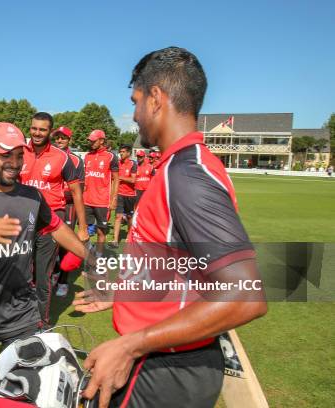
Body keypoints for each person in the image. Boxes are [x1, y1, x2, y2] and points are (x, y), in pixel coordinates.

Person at [74, 46, 267, 407]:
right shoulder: (177, 167)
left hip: (163, 369)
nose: (133, 114)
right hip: (166, 362)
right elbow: (187, 268)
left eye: (136, 100)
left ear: (156, 99)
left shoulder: (187, 175)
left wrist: (130, 344)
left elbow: (244, 295)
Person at [0, 122, 87, 408]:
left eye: (19, 155)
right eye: (5, 155)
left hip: (23, 314)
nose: (14, 163)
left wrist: (90, 256)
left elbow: (56, 227)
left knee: (30, 388)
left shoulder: (32, 197)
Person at [19, 112, 88, 325]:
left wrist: (83, 227)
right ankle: (19, 318)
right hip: (22, 219)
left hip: (51, 221)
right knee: (20, 273)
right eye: (34, 128)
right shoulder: (19, 152)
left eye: (42, 129)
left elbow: (76, 192)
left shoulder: (62, 157)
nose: (37, 133)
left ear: (50, 131)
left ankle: (42, 323)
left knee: (43, 275)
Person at [52, 125, 85, 296]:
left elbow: (79, 189)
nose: (59, 140)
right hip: (52, 205)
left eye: (63, 137)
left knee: (66, 242)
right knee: (50, 242)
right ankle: (56, 270)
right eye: (57, 137)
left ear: (69, 140)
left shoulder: (77, 160)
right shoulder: (50, 155)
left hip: (69, 206)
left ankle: (63, 281)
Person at [83, 129, 119, 254]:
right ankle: (90, 250)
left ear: (102, 141)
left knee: (100, 232)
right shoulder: (87, 156)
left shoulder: (111, 157)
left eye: (93, 140)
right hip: (86, 200)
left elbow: (116, 179)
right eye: (90, 140)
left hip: (103, 202)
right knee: (83, 231)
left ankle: (98, 258)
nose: (91, 143)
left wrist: (114, 199)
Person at [110, 144, 136, 247]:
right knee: (118, 216)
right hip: (119, 193)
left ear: (129, 153)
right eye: (120, 151)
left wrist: (120, 177)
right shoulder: (117, 164)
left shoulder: (133, 164)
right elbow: (113, 178)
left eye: (123, 151)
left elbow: (133, 180)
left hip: (130, 195)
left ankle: (129, 237)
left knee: (129, 217)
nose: (121, 153)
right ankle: (115, 240)